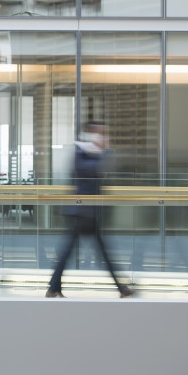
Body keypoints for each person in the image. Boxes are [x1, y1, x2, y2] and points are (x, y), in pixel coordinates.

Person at [46, 121, 134, 298]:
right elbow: (94, 170)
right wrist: (105, 152)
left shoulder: (90, 153)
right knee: (74, 252)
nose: (103, 137)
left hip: (89, 212)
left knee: (81, 252)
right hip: (81, 213)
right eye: (100, 133)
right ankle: (121, 288)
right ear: (90, 133)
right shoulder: (81, 152)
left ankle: (54, 287)